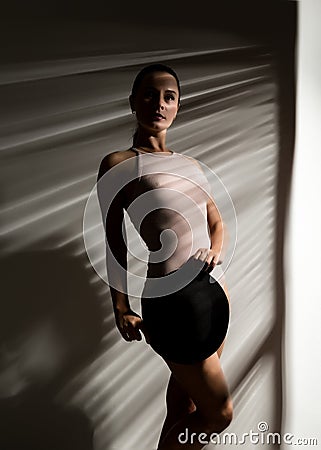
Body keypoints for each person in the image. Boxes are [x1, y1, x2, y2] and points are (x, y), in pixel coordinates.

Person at [97, 63, 233, 449]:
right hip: (171, 302)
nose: (159, 103)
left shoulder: (191, 166)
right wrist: (120, 306)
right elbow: (114, 240)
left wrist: (216, 251)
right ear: (133, 101)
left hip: (214, 293)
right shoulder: (119, 164)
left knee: (184, 407)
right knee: (219, 413)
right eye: (150, 94)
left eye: (169, 97)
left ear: (177, 106)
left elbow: (216, 221)